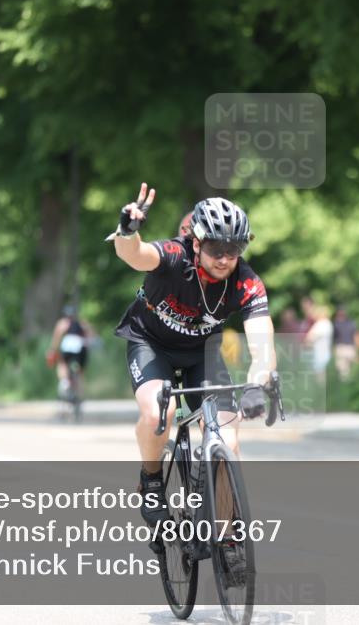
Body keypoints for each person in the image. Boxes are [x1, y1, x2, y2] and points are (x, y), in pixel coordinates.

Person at [111, 185, 276, 529]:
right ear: (197, 243)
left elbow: (263, 346)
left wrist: (258, 385)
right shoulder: (174, 255)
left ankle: (227, 534)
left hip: (202, 352)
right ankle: (152, 481)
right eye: (216, 248)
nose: (225, 258)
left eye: (235, 249)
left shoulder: (247, 283)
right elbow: (135, 254)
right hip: (151, 343)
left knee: (227, 438)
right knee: (160, 409)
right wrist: (128, 230)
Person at [46, 305, 94, 411]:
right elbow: (90, 336)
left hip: (67, 344)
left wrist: (52, 349)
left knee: (62, 364)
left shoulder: (62, 323)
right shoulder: (82, 323)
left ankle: (65, 382)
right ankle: (79, 394)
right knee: (80, 371)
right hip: (81, 346)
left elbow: (56, 338)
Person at [332, 304, 359, 379]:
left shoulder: (336, 324)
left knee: (344, 373)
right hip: (349, 349)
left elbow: (358, 337)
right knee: (349, 372)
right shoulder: (352, 323)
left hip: (343, 348)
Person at [304, 304, 333, 382]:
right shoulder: (328, 323)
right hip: (325, 352)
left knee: (318, 377)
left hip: (319, 354)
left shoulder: (321, 324)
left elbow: (309, 338)